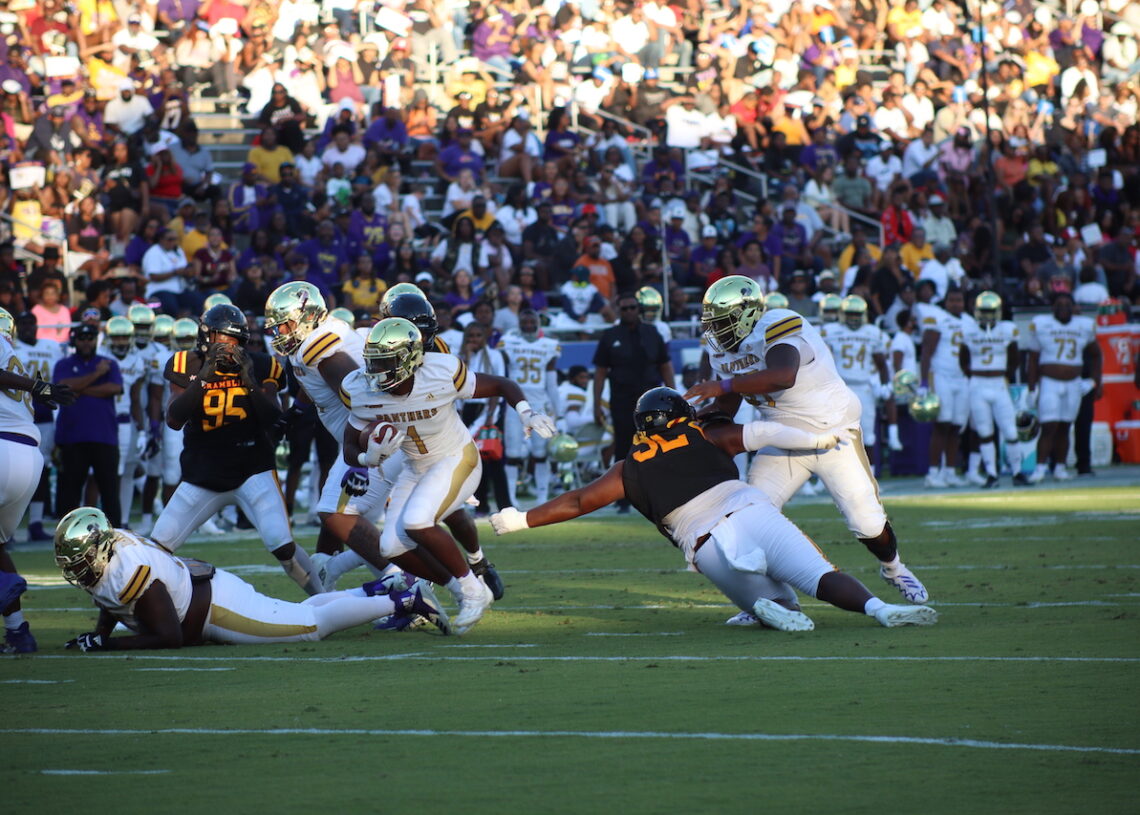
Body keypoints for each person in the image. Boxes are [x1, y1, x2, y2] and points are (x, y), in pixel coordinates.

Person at [490, 388, 938, 632]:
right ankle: (879, 609)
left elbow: (577, 501)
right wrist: (817, 441)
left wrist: (518, 519)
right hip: (748, 510)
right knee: (820, 575)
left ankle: (766, 607)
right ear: (682, 414)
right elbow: (762, 433)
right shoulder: (704, 434)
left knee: (778, 602)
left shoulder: (629, 467)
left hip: (706, 544)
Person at [683, 276, 929, 608]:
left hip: (833, 430)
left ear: (746, 316)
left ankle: (893, 567)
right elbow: (732, 400)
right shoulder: (719, 349)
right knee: (752, 518)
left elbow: (784, 374)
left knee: (867, 523)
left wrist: (723, 388)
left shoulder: (780, 324)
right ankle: (773, 602)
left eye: (721, 322)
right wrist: (710, 414)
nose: (715, 331)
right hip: (781, 432)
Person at [340, 317, 556, 634]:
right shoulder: (359, 388)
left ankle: (473, 589)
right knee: (391, 548)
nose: (375, 370)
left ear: (408, 359)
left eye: (384, 362)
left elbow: (500, 384)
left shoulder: (441, 372)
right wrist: (366, 457)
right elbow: (348, 444)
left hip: (456, 457)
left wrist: (526, 411)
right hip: (415, 467)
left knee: (416, 522)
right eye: (373, 362)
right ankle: (458, 590)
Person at [54, 506, 450, 651]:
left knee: (308, 627)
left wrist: (107, 645)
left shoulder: (126, 566)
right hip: (210, 593)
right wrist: (100, 633)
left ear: (100, 550)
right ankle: (381, 587)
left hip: (218, 610)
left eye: (81, 561)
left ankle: (405, 600)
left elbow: (168, 637)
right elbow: (110, 600)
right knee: (300, 612)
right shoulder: (112, 555)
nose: (79, 571)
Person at [154, 304, 321, 596]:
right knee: (157, 548)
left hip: (252, 469)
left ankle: (325, 598)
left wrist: (249, 380)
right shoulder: (186, 363)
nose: (230, 346)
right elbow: (174, 419)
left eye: (236, 340)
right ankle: (132, 610)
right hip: (202, 474)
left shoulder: (260, 364)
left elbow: (273, 416)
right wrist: (205, 376)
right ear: (207, 337)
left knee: (282, 545)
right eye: (224, 338)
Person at [0, 307, 75, 653]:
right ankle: (18, 632)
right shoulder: (15, 353)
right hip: (29, 457)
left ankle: (6, 583)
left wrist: (38, 385)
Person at [593, 291, 675, 513]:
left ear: (639, 309)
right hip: (622, 401)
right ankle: (623, 498)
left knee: (658, 446)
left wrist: (673, 395)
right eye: (624, 308)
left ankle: (658, 494)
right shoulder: (610, 335)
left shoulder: (652, 332)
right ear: (619, 311)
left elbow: (665, 365)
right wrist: (596, 404)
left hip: (653, 404)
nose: (629, 311)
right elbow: (600, 372)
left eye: (632, 307)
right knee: (624, 449)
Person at [1024, 293, 1100, 484]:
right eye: (1060, 304)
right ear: (1052, 307)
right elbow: (1032, 359)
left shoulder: (1084, 325)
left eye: (1068, 304)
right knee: (1049, 426)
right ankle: (1040, 468)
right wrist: (1032, 388)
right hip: (1050, 382)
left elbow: (1097, 354)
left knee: (1066, 426)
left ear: (1074, 307)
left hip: (1074, 383)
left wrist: (1093, 381)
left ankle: (1060, 467)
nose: (1064, 308)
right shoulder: (1041, 324)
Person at [53, 322, 124, 526]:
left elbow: (114, 388)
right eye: (82, 338)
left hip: (105, 435)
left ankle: (117, 534)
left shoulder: (109, 363)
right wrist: (96, 376)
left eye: (90, 338)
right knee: (70, 492)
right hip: (72, 436)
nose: (86, 342)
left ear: (96, 340)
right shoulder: (64, 364)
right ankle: (67, 535)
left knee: (110, 490)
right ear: (75, 340)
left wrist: (79, 388)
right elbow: (62, 386)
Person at [820, 295, 902, 453]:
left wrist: (886, 384)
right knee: (834, 433)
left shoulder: (872, 332)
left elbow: (881, 363)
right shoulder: (830, 331)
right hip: (840, 387)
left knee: (867, 435)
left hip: (864, 387)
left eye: (856, 314)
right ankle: (833, 475)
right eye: (850, 314)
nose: (853, 318)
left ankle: (868, 474)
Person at [959, 292, 1024, 488]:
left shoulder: (1007, 330)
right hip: (978, 385)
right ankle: (992, 474)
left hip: (998, 383)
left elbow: (1014, 359)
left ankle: (1017, 472)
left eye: (990, 311)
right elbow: (963, 360)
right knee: (984, 432)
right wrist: (976, 376)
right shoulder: (968, 330)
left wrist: (1004, 375)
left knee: (1010, 430)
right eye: (984, 311)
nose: (987, 316)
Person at [11, 311, 65, 542]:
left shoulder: (52, 347)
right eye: (23, 324)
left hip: (46, 415)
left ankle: (35, 522)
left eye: (31, 324)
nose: (28, 328)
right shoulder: (10, 347)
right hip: (20, 415)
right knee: (14, 472)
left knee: (41, 470)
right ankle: (9, 528)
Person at [500, 310, 561, 508]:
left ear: (538, 323)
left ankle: (542, 496)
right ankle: (510, 496)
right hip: (515, 404)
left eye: (531, 321)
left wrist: (558, 412)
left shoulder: (549, 345)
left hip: (539, 404)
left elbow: (552, 384)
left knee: (540, 450)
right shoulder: (509, 342)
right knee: (513, 452)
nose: (528, 324)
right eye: (524, 320)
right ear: (519, 323)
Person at [918, 287, 974, 488]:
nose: (956, 304)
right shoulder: (937, 318)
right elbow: (926, 353)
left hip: (961, 379)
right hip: (941, 376)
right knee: (942, 424)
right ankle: (933, 473)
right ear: (946, 301)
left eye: (959, 300)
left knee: (956, 426)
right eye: (952, 300)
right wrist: (924, 382)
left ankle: (949, 471)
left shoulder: (970, 322)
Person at [102, 317, 150, 526]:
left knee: (127, 472)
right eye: (117, 337)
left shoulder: (136, 361)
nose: (121, 341)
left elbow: (136, 398)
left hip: (126, 422)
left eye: (124, 337)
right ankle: (103, 519)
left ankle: (122, 520)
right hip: (104, 420)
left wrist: (141, 430)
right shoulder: (100, 357)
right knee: (105, 473)